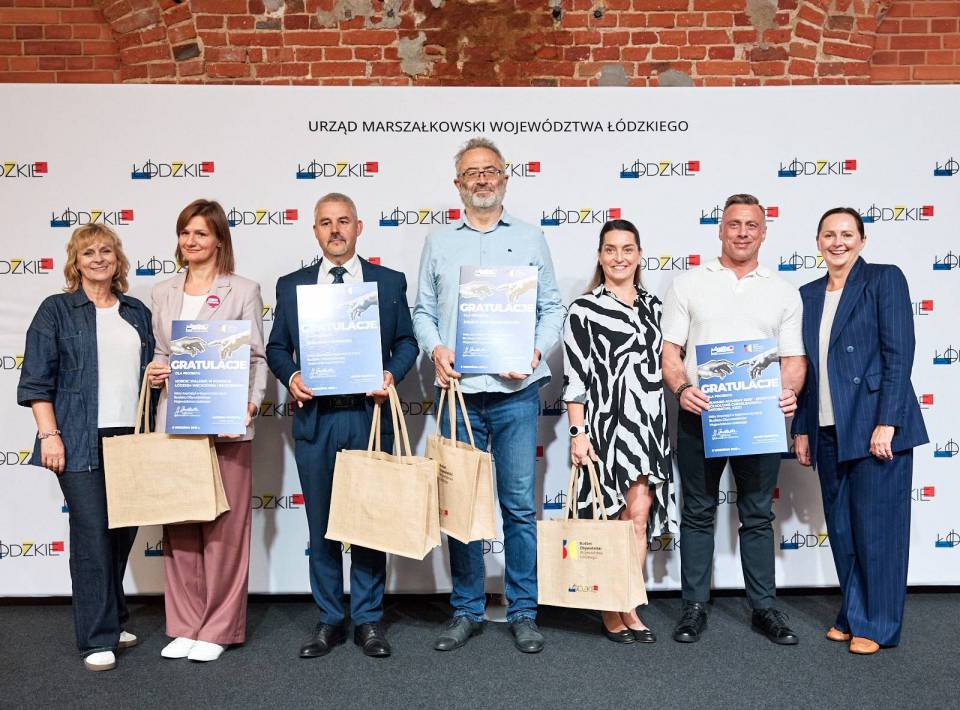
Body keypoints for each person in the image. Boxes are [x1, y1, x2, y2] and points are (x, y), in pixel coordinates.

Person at [413, 137, 565, 654]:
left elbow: (552, 308)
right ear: (458, 184)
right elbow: (422, 311)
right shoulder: (438, 242)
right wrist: (436, 348)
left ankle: (523, 611)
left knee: (518, 507)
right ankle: (466, 609)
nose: (482, 179)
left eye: (490, 170)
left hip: (516, 394)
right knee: (461, 507)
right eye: (471, 172)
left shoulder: (530, 238)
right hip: (458, 396)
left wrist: (535, 351)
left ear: (505, 178)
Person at [266, 192, 418, 659]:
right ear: (315, 230)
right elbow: (276, 347)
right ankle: (330, 618)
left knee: (370, 523)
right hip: (317, 420)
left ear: (359, 227)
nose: (335, 230)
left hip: (368, 417)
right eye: (326, 222)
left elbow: (407, 342)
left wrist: (391, 373)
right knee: (322, 526)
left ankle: (368, 619)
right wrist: (291, 376)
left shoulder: (388, 282)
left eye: (344, 221)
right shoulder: (291, 286)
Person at [661, 193, 806, 645]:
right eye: (734, 224)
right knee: (698, 512)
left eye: (751, 225)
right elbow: (670, 352)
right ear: (720, 230)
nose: (743, 233)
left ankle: (764, 608)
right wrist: (681, 389)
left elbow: (793, 358)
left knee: (758, 515)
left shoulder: (783, 291)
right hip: (700, 414)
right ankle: (693, 606)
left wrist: (789, 391)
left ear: (764, 232)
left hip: (759, 419)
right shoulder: (688, 284)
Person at [18, 225, 154, 672]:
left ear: (118, 259)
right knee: (92, 536)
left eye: (106, 251)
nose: (99, 258)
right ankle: (96, 638)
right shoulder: (56, 310)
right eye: (88, 252)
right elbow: (36, 381)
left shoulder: (136, 312)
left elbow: (145, 376)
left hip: (131, 438)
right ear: (75, 263)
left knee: (122, 535)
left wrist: (156, 376)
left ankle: (113, 620)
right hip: (77, 439)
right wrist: (49, 435)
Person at [792, 207, 928, 655]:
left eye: (847, 234)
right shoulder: (808, 294)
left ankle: (878, 624)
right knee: (844, 530)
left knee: (878, 531)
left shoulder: (884, 279)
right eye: (829, 234)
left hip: (874, 425)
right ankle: (853, 614)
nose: (838, 242)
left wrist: (888, 422)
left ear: (862, 240)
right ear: (817, 242)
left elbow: (899, 355)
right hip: (829, 429)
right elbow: (808, 370)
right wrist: (803, 428)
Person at [146, 199, 268, 663]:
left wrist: (252, 403)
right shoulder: (162, 291)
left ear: (218, 239)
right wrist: (156, 370)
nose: (190, 241)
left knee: (225, 529)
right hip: (177, 422)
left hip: (227, 423)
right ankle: (185, 624)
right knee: (180, 523)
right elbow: (162, 352)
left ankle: (218, 627)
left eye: (200, 233)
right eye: (185, 233)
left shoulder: (243, 289)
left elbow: (255, 356)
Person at [563, 219, 675, 644]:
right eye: (610, 249)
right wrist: (578, 432)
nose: (619, 257)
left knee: (638, 520)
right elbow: (575, 378)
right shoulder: (583, 309)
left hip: (648, 428)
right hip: (604, 428)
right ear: (599, 255)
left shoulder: (656, 308)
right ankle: (610, 608)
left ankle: (629, 603)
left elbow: (671, 364)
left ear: (640, 255)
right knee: (609, 522)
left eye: (628, 249)